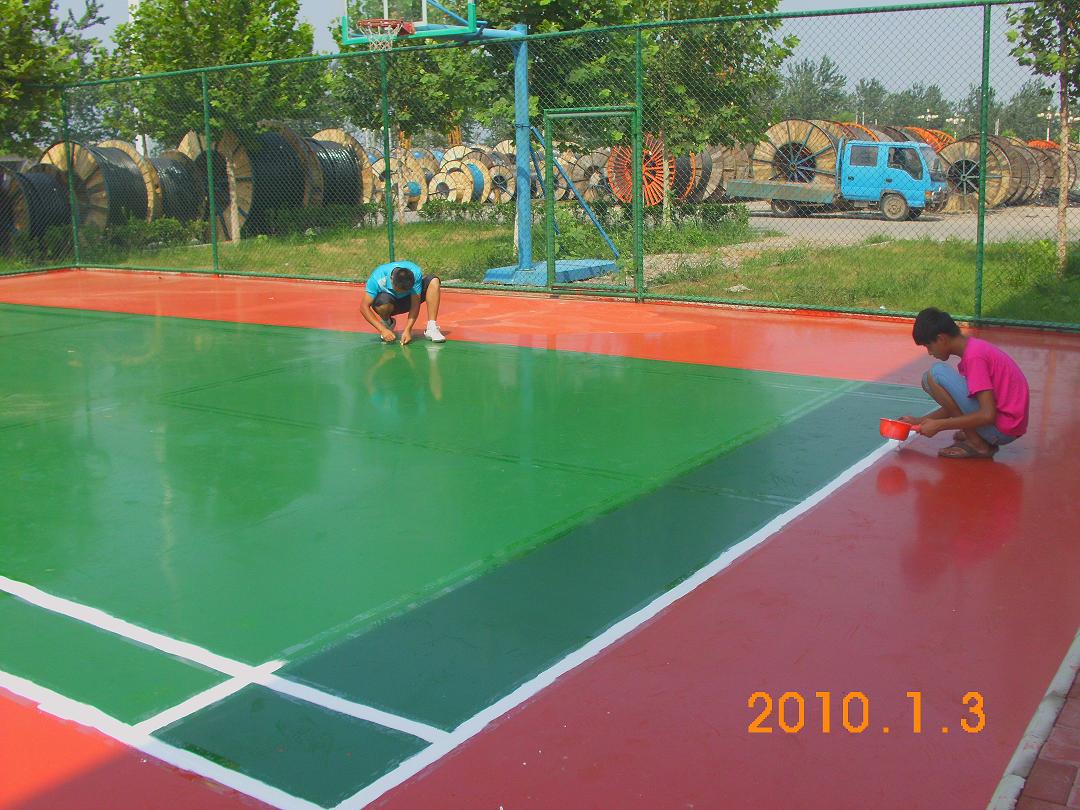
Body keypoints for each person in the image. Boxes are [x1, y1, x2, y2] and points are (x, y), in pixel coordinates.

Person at [899, 307, 1029, 460]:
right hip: (1007, 426)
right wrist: (919, 421)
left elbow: (987, 415)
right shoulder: (973, 349)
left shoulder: (974, 357)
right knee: (928, 380)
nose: (929, 352)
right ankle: (977, 436)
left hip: (1003, 430)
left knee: (935, 375)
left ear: (941, 339)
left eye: (929, 346)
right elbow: (958, 404)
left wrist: (939, 425)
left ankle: (978, 444)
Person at [361, 260, 445, 344]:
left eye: (405, 290)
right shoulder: (377, 278)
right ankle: (387, 323)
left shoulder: (415, 273)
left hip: (409, 300)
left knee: (433, 280)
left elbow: (415, 305)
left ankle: (431, 327)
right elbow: (364, 307)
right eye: (399, 289)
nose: (402, 292)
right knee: (381, 301)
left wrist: (408, 330)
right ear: (391, 279)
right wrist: (382, 330)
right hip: (389, 302)